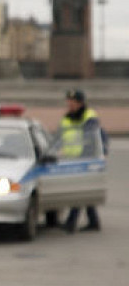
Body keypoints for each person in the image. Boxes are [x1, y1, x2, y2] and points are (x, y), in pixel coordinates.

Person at [59, 89, 108, 233]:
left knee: (78, 190)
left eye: (72, 102)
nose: (69, 104)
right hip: (71, 159)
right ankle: (93, 221)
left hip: (85, 159)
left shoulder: (89, 117)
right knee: (83, 190)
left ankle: (71, 222)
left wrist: (91, 156)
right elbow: (62, 137)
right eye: (68, 101)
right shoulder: (67, 117)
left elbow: (93, 138)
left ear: (80, 103)